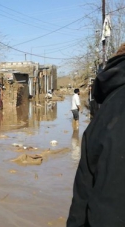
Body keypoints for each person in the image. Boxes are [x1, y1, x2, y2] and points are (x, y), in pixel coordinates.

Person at [67, 45, 125, 226]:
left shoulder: (103, 118)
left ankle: (74, 128)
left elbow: (82, 197)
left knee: (75, 123)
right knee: (75, 120)